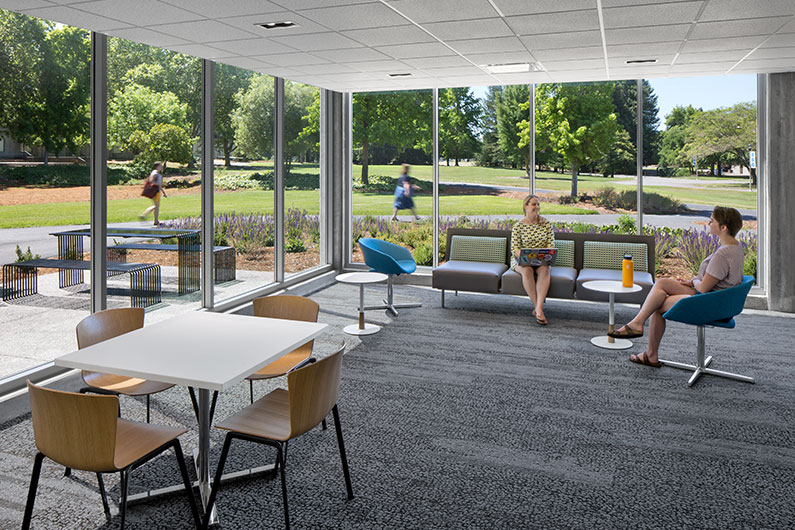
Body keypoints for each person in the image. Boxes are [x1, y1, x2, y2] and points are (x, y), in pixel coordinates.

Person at [610, 205, 745, 367]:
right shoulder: (735, 248)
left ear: (723, 227)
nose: (709, 223)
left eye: (712, 221)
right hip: (719, 299)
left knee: (658, 305)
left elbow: (702, 288)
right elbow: (715, 281)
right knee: (662, 283)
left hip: (711, 303)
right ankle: (637, 325)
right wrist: (692, 281)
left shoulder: (722, 255)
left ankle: (647, 347)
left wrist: (694, 281)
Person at [511, 194, 555, 325]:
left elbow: (550, 244)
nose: (537, 207)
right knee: (527, 270)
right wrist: (524, 256)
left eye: (538, 204)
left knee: (545, 269)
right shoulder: (518, 226)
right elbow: (515, 249)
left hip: (541, 259)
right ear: (526, 206)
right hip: (521, 259)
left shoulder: (546, 223)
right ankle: (539, 309)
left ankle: (538, 309)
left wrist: (546, 254)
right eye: (534, 204)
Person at [140, 162, 167, 226]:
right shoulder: (155, 172)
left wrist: (163, 192)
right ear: (157, 166)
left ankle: (148, 217)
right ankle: (154, 220)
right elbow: (151, 180)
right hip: (154, 191)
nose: (161, 167)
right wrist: (158, 184)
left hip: (157, 191)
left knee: (156, 205)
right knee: (156, 206)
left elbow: (159, 185)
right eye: (160, 165)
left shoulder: (157, 173)